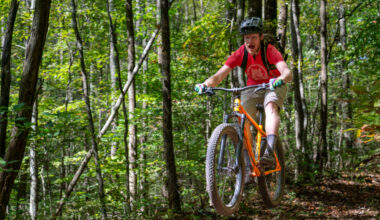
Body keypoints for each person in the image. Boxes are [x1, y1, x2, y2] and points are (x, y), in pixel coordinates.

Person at [195, 17, 292, 171]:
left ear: (260, 37)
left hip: (274, 84)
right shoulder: (240, 53)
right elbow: (219, 76)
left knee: (271, 107)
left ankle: (269, 151)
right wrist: (205, 84)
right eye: (247, 38)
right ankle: (248, 165)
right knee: (242, 119)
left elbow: (287, 73)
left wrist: (280, 79)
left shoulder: (270, 50)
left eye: (254, 37)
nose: (250, 41)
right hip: (252, 87)